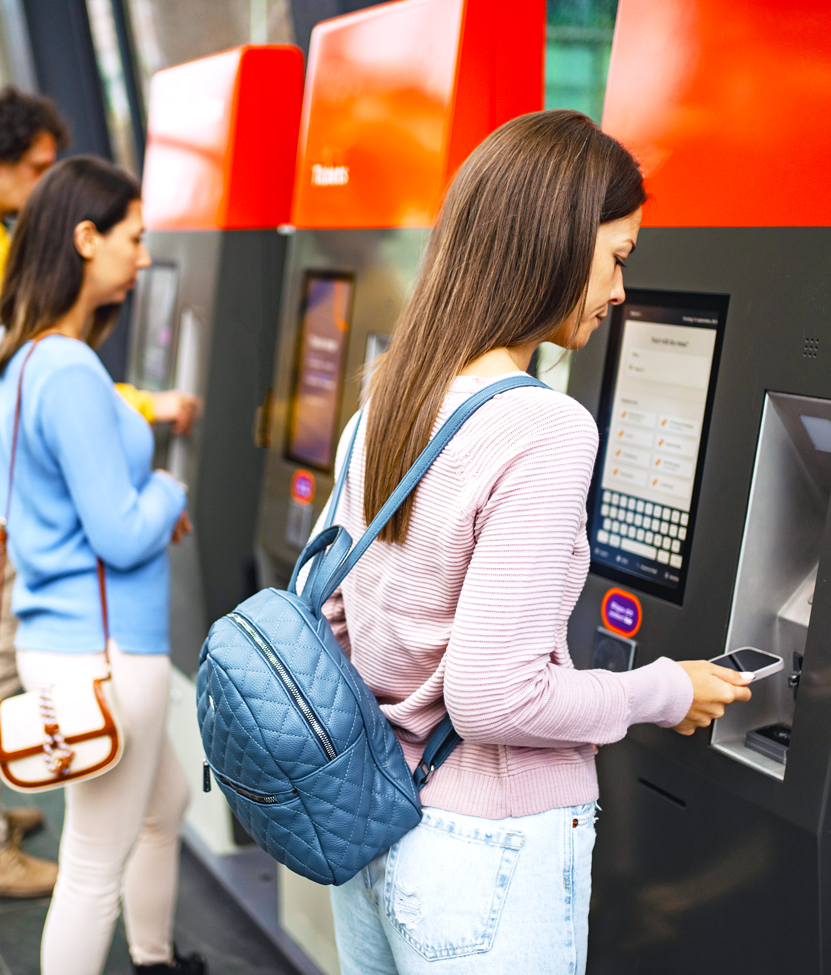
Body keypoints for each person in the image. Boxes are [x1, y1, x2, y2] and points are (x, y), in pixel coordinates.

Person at [322, 110, 752, 975]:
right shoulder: (543, 426)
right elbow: (495, 701)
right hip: (486, 855)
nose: (622, 291)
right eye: (618, 257)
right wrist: (664, 690)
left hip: (371, 837)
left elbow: (335, 614)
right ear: (555, 241)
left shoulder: (391, 397)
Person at [0, 88, 198, 897]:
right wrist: (153, 441)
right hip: (2, 501)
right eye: (36, 168)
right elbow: (57, 395)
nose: (42, 185)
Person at [0, 157, 203, 975]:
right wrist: (166, 488)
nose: (144, 257)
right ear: (85, 237)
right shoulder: (69, 368)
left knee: (164, 801)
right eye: (134, 238)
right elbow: (116, 530)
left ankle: (152, 958)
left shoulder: (8, 356)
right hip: (106, 653)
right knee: (90, 866)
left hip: (59, 638)